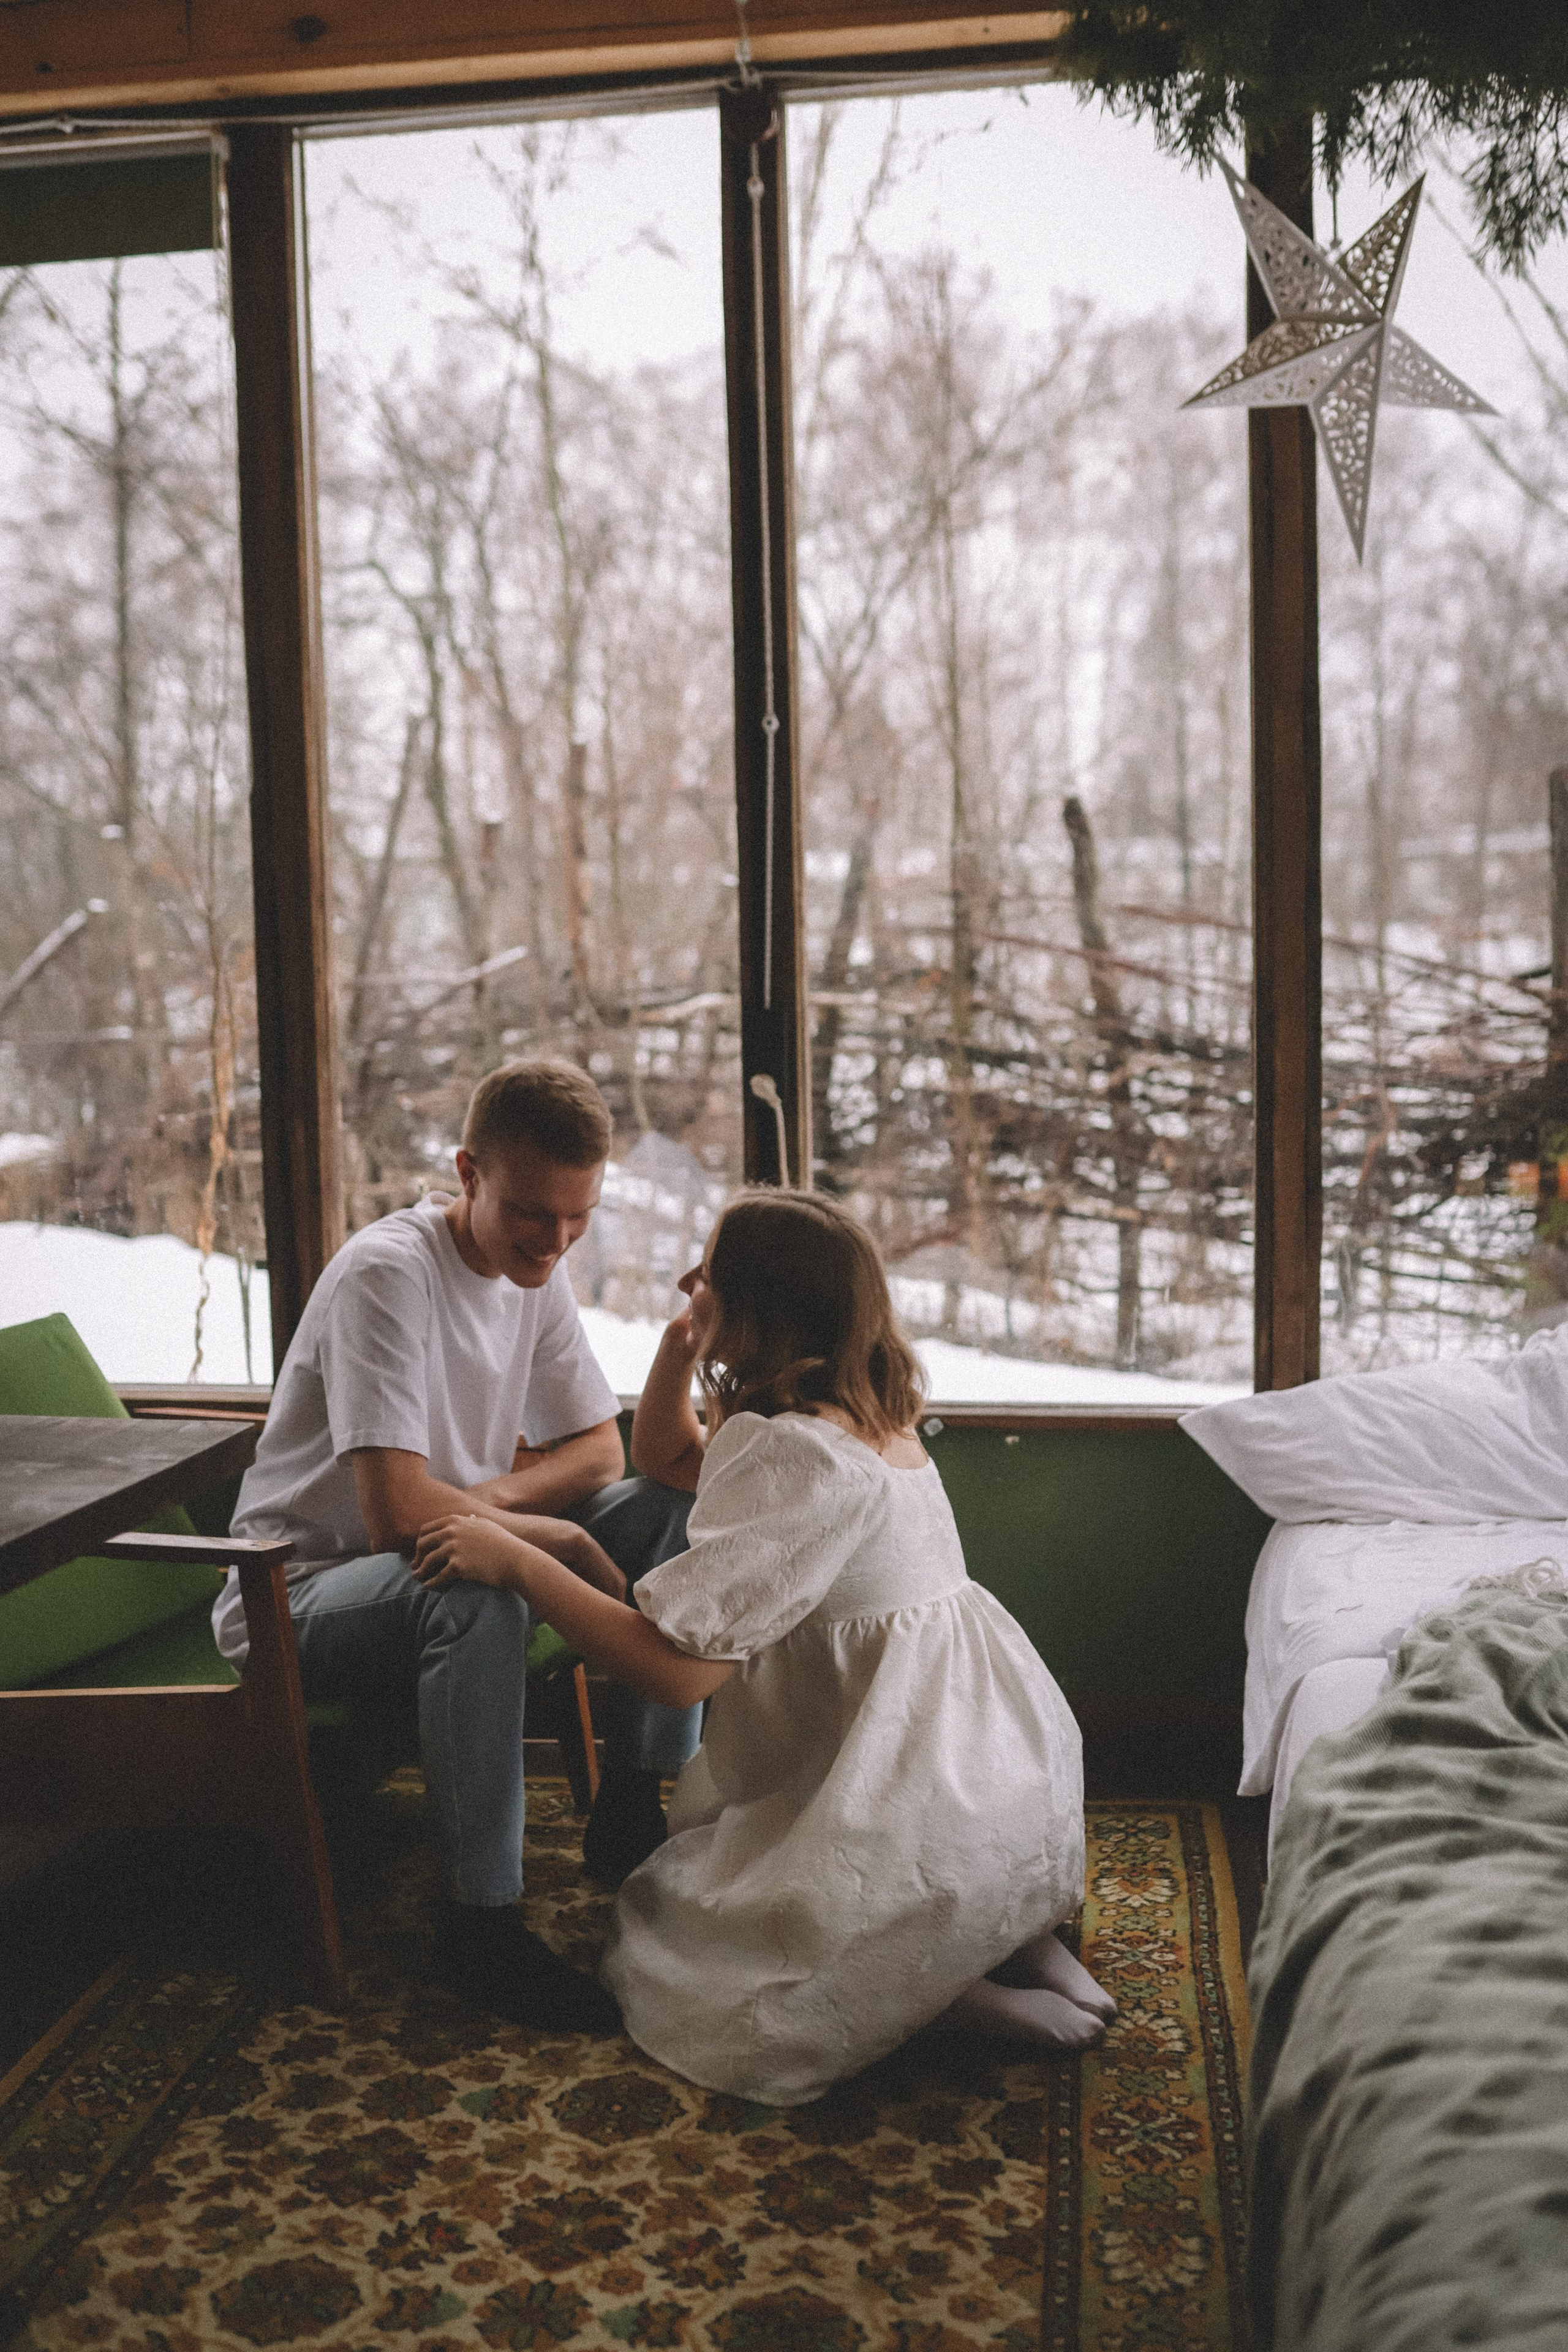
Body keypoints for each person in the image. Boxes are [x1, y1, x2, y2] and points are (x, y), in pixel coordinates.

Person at [412, 1188, 1109, 2105]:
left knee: (701, 1940)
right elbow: (665, 1457)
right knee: (931, 1878)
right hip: (975, 1758)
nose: (690, 1289)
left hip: (889, 1770)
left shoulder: (797, 1459)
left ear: (758, 1314)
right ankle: (1009, 1937)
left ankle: (950, 1993)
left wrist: (519, 1563)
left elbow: (676, 1672)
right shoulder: (871, 1419)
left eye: (712, 1282)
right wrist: (684, 1339)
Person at [214, 1060, 701, 2032]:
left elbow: (601, 1449)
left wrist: (496, 1501)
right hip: (297, 1593)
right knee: (475, 1589)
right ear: (468, 1172)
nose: (556, 1242)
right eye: (532, 1212)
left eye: (580, 1217)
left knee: (664, 1504)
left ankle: (634, 1807)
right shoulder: (388, 1274)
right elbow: (396, 1513)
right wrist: (541, 1530)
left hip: (440, 1543)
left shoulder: (537, 1269)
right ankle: (479, 1928)